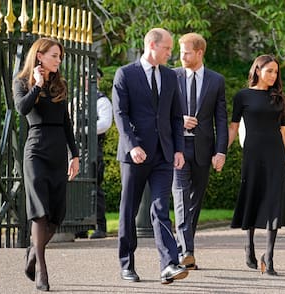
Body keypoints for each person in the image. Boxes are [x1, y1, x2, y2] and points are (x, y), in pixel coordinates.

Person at [112, 28, 188, 284]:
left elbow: (176, 116)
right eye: (167, 48)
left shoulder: (169, 76)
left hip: (163, 155)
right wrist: (132, 145)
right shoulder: (125, 74)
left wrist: (178, 149)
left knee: (160, 209)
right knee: (129, 210)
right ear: (152, 46)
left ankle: (169, 264)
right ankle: (126, 264)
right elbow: (120, 114)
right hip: (135, 155)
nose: (171, 53)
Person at [13, 37, 79, 291]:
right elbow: (22, 108)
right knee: (40, 211)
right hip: (36, 152)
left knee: (56, 214)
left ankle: (33, 251)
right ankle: (42, 268)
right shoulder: (22, 82)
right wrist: (37, 86)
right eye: (54, 55)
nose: (58, 60)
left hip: (57, 153)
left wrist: (74, 155)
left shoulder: (60, 85)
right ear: (39, 56)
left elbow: (67, 123)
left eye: (60, 57)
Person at [228, 54, 285, 276]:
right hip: (253, 155)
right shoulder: (243, 96)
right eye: (269, 71)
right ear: (257, 70)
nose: (273, 76)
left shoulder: (278, 98)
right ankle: (249, 246)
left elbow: (283, 131)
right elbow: (234, 127)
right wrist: (220, 152)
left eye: (276, 72)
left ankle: (270, 257)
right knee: (252, 197)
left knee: (274, 202)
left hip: (276, 154)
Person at [172, 33, 228, 270]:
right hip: (178, 149)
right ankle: (188, 251)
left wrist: (221, 151)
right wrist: (180, 120)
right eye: (180, 52)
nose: (181, 56)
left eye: (186, 52)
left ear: (199, 53)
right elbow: (161, 112)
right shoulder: (171, 76)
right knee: (181, 197)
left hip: (204, 150)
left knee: (195, 201)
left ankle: (183, 246)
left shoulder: (216, 80)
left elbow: (221, 119)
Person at [89, 68, 113, 239]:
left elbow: (104, 123)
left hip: (94, 146)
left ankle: (100, 225)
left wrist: (82, 130)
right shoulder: (76, 98)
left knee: (95, 186)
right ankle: (80, 225)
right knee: (76, 185)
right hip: (77, 146)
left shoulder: (101, 100)